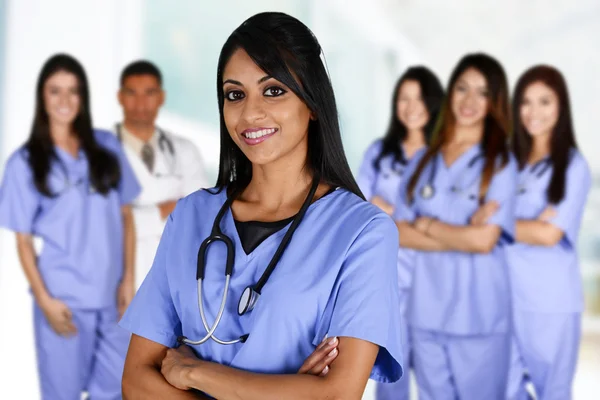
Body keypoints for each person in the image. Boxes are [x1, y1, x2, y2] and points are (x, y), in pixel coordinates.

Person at [119, 12, 404, 399]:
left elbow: (337, 394)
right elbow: (137, 381)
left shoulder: (363, 233)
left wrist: (194, 372)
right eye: (235, 95)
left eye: (273, 90)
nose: (250, 113)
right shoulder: (190, 218)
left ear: (313, 103)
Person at [0, 54, 141, 399]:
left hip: (113, 301)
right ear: (42, 97)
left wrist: (128, 281)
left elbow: (126, 217)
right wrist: (46, 301)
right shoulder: (25, 163)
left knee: (115, 391)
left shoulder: (106, 146)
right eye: (55, 91)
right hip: (64, 302)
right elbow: (22, 242)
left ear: (83, 97)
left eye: (73, 91)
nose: (65, 101)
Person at [393, 53, 517, 399]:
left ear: (495, 102)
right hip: (426, 314)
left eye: (482, 92)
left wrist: (428, 223)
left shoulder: (501, 165)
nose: (470, 100)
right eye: (462, 88)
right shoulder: (422, 161)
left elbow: (483, 242)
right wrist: (461, 233)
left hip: (479, 317)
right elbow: (399, 232)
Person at [356, 66, 444, 400]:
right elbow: (361, 212)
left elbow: (448, 225)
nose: (410, 106)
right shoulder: (379, 154)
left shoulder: (444, 156)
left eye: (419, 98)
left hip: (436, 286)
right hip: (389, 284)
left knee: (439, 380)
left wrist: (388, 212)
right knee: (393, 379)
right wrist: (412, 221)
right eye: (403, 99)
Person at [505, 65, 591, 400]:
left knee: (552, 392)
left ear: (561, 107)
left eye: (545, 101)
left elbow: (549, 235)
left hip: (549, 302)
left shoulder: (571, 165)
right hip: (506, 298)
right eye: (526, 102)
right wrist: (528, 225)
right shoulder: (509, 161)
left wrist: (499, 224)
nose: (534, 112)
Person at [116, 60, 208, 289]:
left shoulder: (184, 150)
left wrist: (134, 217)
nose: (140, 103)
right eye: (132, 93)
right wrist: (164, 210)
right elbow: (105, 226)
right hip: (118, 282)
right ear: (120, 97)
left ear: (161, 97)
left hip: (175, 277)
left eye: (149, 93)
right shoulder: (101, 153)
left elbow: (200, 214)